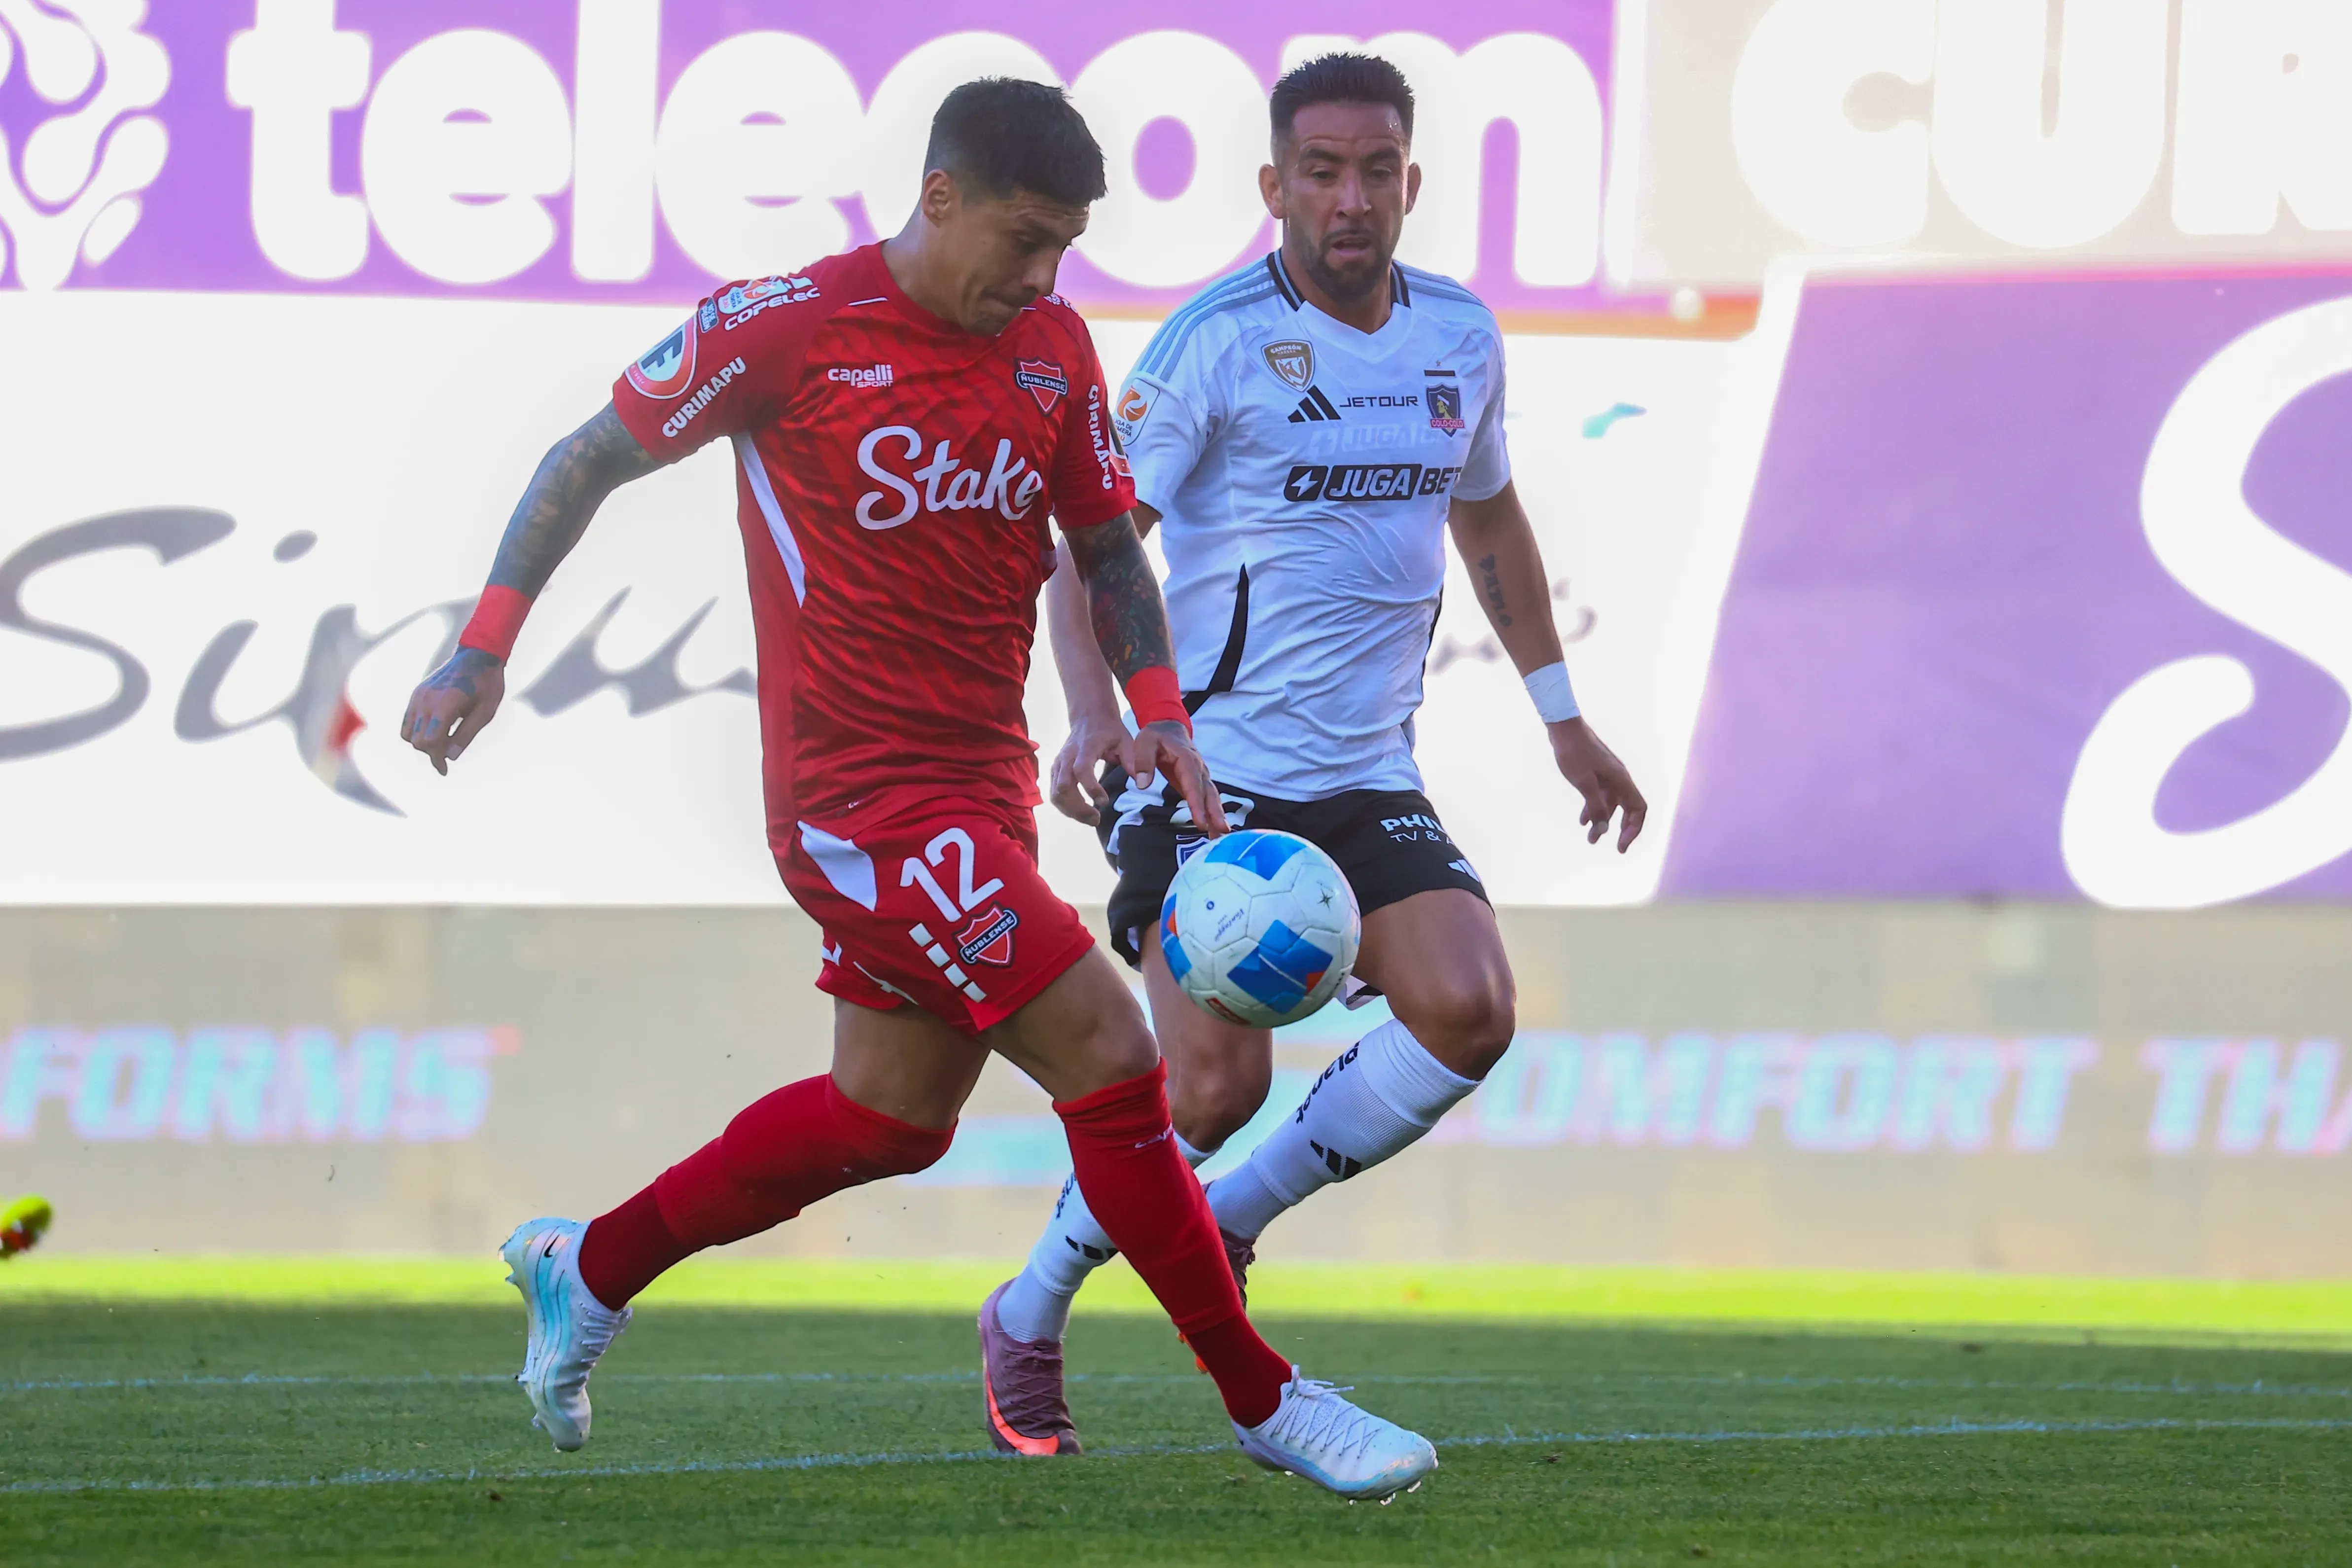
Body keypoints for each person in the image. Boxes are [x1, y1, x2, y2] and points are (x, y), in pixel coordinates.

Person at [398, 77, 1435, 1502]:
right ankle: (1267, 1397)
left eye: (1063, 248)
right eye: (1020, 240)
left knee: (889, 1115)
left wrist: (1154, 713)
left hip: (982, 788)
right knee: (1114, 1056)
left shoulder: (1052, 348)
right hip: (855, 804)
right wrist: (483, 647)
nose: (1039, 276)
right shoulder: (782, 330)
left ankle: (591, 1265)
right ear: (938, 197)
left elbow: (1110, 547)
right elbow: (587, 460)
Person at [977, 54, 1646, 1453]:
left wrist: (1564, 716)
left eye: (1378, 169)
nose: (1353, 197)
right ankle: (1029, 1307)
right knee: (1212, 1090)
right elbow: (1094, 548)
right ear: (1274, 186)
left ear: (1413, 181)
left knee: (1472, 1010)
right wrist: (1102, 714)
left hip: (1367, 779)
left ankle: (1230, 1217)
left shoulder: (1457, 337)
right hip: (1210, 773)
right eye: (1323, 171)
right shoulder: (1215, 342)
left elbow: (1491, 523)